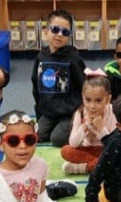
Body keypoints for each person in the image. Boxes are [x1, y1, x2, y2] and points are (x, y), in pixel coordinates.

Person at [32, 9, 86, 147]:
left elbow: (84, 85)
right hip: (49, 112)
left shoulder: (73, 57)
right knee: (36, 136)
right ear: (46, 31)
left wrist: (82, 112)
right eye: (55, 29)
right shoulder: (40, 57)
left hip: (69, 112)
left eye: (65, 32)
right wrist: (39, 113)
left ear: (69, 36)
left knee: (57, 139)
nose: (59, 35)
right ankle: (54, 125)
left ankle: (75, 126)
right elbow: (36, 85)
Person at [61, 70, 116, 176]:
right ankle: (102, 166)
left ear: (108, 99)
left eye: (98, 101)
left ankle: (85, 168)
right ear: (82, 97)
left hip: (107, 150)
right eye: (88, 100)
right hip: (88, 150)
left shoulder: (113, 112)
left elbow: (113, 145)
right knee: (66, 151)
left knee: (118, 156)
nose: (92, 106)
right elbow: (73, 143)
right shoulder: (80, 112)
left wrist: (101, 128)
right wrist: (85, 125)